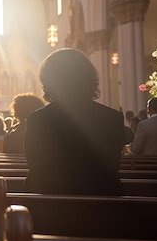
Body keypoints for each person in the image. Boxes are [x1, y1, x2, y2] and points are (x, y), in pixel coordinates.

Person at [23, 48, 124, 195]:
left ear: (49, 81)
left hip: (49, 204)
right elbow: (112, 165)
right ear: (89, 79)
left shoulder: (38, 119)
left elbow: (35, 165)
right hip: (103, 203)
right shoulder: (112, 118)